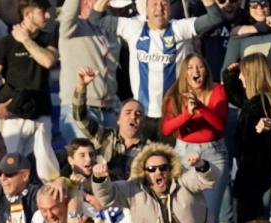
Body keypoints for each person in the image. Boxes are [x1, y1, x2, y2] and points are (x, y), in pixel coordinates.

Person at [87, 0, 223, 136]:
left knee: (171, 157)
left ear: (170, 9)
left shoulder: (180, 28)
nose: (159, 8)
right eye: (154, 4)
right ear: (146, 9)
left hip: (173, 114)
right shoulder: (133, 27)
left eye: (164, 4)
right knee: (143, 157)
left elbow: (215, 17)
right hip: (141, 115)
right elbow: (95, 18)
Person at [91, 144, 222, 223]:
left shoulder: (183, 181)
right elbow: (107, 197)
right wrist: (99, 179)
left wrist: (201, 165)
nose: (158, 172)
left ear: (170, 170)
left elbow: (209, 179)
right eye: (152, 169)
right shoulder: (133, 189)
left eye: (163, 168)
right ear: (144, 172)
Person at [0, 0, 61, 181]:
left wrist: (26, 40)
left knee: (48, 170)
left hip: (41, 113)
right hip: (13, 114)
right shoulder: (6, 43)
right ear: (28, 14)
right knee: (10, 166)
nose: (48, 16)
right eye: (43, 11)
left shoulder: (48, 38)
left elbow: (48, 61)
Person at [162, 53, 229, 223]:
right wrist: (186, 115)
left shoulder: (217, 91)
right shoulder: (175, 95)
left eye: (199, 67)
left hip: (213, 154)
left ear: (206, 71)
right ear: (184, 73)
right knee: (185, 210)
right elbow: (166, 129)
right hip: (184, 155)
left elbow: (219, 125)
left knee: (210, 213)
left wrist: (200, 107)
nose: (195, 71)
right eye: (190, 68)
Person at [223, 53, 271, 223]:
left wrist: (243, 180)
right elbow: (235, 95)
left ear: (252, 74)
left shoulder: (257, 107)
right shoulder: (266, 100)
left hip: (253, 178)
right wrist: (230, 74)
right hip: (261, 176)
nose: (240, 77)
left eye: (242, 72)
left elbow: (252, 148)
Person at [57, 0, 120, 143]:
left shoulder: (109, 30)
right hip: (80, 109)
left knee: (108, 163)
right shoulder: (72, 28)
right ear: (86, 3)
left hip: (109, 109)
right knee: (83, 162)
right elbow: (69, 13)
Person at [73, 68, 147, 180]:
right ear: (118, 119)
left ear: (143, 122)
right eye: (128, 113)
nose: (133, 117)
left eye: (138, 114)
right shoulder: (104, 136)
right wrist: (81, 86)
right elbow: (80, 118)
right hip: (99, 192)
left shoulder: (149, 149)